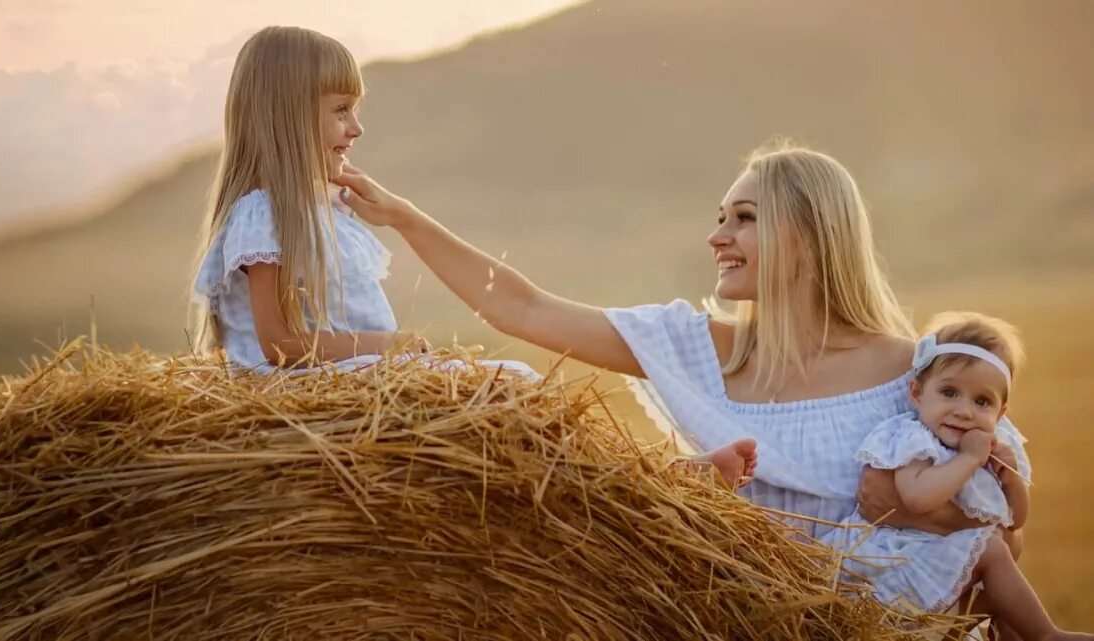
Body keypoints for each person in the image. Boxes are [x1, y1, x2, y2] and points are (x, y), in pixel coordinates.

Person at [332, 143, 1030, 604]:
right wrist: (403, 217)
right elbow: (520, 305)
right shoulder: (690, 346)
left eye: (745, 218)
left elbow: (1002, 534)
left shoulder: (917, 375)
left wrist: (917, 507)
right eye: (719, 215)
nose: (716, 235)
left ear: (808, 235)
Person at [187, 26, 533, 379]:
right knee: (513, 379)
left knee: (511, 376)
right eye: (341, 111)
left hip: (352, 375)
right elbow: (280, 345)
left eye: (355, 110)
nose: (357, 128)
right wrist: (390, 344)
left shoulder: (325, 211)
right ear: (288, 117)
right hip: (316, 382)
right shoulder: (263, 214)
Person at [830, 312, 1089, 640]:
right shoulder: (912, 437)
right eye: (949, 392)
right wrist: (969, 459)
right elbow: (916, 497)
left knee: (998, 564)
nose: (964, 411)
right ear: (916, 393)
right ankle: (1044, 634)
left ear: (1001, 413)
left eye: (982, 401)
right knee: (992, 552)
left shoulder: (993, 448)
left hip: (941, 553)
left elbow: (1014, 520)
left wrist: (1009, 479)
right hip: (895, 559)